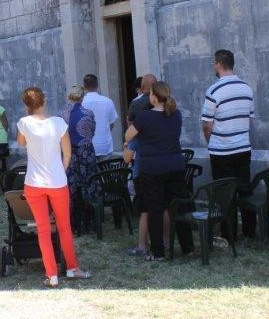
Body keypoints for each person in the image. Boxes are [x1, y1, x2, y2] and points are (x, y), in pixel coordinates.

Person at [17, 87, 90, 287]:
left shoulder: (24, 123)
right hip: (57, 182)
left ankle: (52, 274)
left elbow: (21, 143)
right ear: (45, 100)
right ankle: (72, 268)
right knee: (64, 227)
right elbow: (68, 153)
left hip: (34, 183)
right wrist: (61, 170)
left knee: (43, 230)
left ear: (26, 104)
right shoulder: (59, 123)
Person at [124, 81, 193, 259]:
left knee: (154, 209)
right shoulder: (176, 114)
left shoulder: (145, 117)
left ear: (154, 97)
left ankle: (158, 252)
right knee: (179, 206)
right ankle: (188, 247)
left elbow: (128, 135)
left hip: (152, 168)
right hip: (175, 165)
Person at [201, 49, 256, 239]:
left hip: (221, 150)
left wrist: (211, 141)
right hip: (243, 147)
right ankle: (249, 230)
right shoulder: (247, 89)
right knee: (244, 188)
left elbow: (206, 124)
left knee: (224, 193)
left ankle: (229, 232)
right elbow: (249, 119)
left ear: (218, 64)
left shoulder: (214, 90)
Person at [59, 86, 100, 235]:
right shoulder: (88, 113)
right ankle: (92, 221)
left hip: (69, 154)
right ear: (82, 98)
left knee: (71, 188)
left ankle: (74, 223)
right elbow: (92, 132)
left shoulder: (61, 114)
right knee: (89, 185)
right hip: (86, 153)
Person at [81, 74, 119, 158]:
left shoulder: (81, 103)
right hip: (105, 146)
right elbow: (112, 123)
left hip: (87, 147)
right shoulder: (108, 101)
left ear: (84, 87)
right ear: (97, 85)